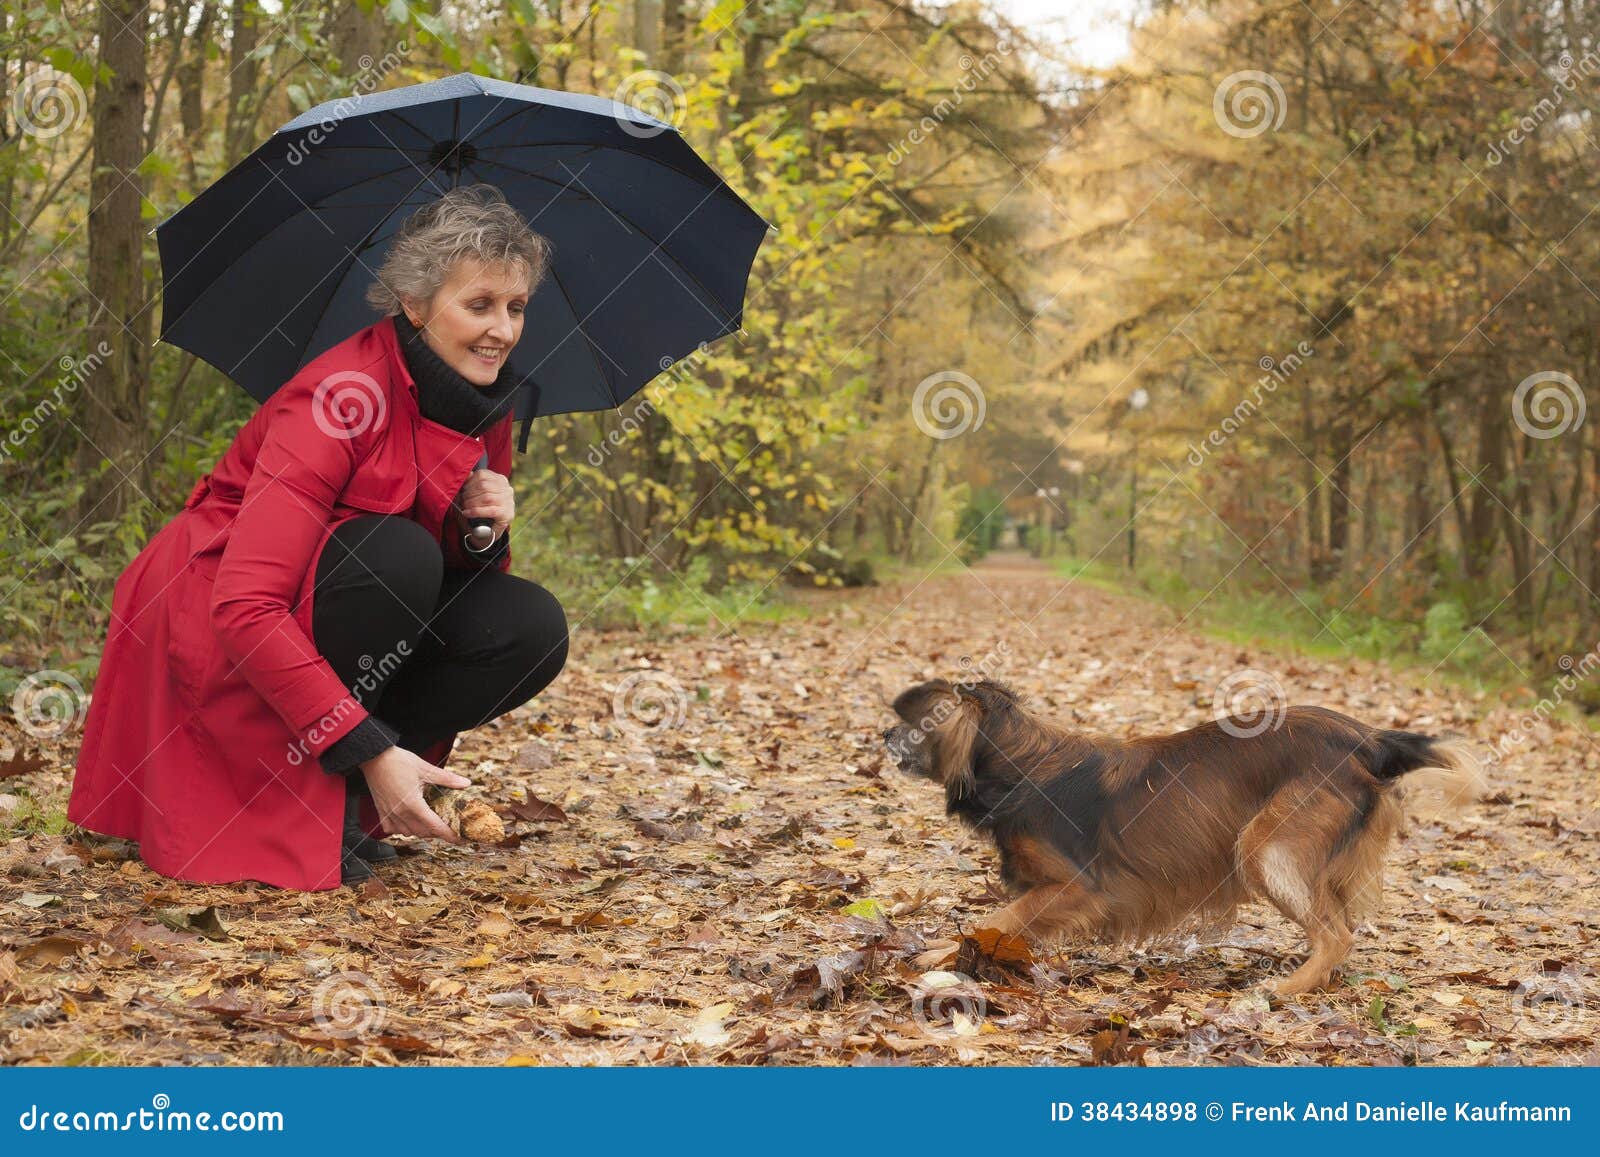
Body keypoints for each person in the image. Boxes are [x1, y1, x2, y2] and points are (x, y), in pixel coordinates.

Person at [68, 184, 569, 890]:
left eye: (516, 307)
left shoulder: (485, 401)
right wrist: (365, 744)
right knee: (398, 557)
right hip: (214, 599)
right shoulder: (336, 398)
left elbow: (462, 582)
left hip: (347, 595)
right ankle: (336, 778)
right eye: (479, 304)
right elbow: (245, 605)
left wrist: (482, 530)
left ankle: (356, 800)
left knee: (530, 626)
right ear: (416, 303)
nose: (504, 330)